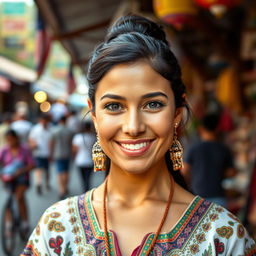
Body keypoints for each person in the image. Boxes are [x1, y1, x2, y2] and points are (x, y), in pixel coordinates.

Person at [21, 15, 256, 256]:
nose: (133, 127)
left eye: (153, 104)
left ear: (177, 113)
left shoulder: (223, 236)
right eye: (114, 106)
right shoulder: (56, 229)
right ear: (94, 115)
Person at [182, 113, 237, 208]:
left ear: (201, 129)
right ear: (217, 129)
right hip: (218, 196)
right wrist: (217, 173)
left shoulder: (193, 149)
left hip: (197, 197)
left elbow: (184, 172)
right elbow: (231, 172)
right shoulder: (223, 149)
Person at [0, 129, 34, 238]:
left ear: (16, 138)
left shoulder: (25, 149)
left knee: (19, 197)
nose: (10, 141)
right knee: (9, 199)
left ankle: (24, 222)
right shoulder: (4, 150)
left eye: (11, 139)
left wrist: (21, 171)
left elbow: (32, 164)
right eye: (8, 139)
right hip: (9, 179)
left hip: (22, 179)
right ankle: (9, 224)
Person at [28, 113, 52, 195]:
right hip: (37, 153)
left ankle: (47, 183)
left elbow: (52, 142)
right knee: (38, 169)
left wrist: (51, 153)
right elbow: (31, 139)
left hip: (47, 154)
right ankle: (38, 184)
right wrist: (33, 144)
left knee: (47, 170)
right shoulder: (35, 129)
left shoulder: (50, 128)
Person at [50, 115, 73, 199]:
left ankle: (61, 189)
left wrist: (51, 153)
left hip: (57, 153)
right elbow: (71, 144)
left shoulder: (54, 130)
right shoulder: (69, 131)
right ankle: (65, 187)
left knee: (60, 172)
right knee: (66, 171)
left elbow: (52, 143)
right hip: (67, 153)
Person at [72, 121, 96, 191]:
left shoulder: (78, 137)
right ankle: (87, 189)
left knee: (82, 178)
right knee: (88, 178)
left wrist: (73, 158)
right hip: (90, 161)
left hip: (80, 161)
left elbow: (74, 150)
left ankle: (84, 190)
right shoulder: (93, 137)